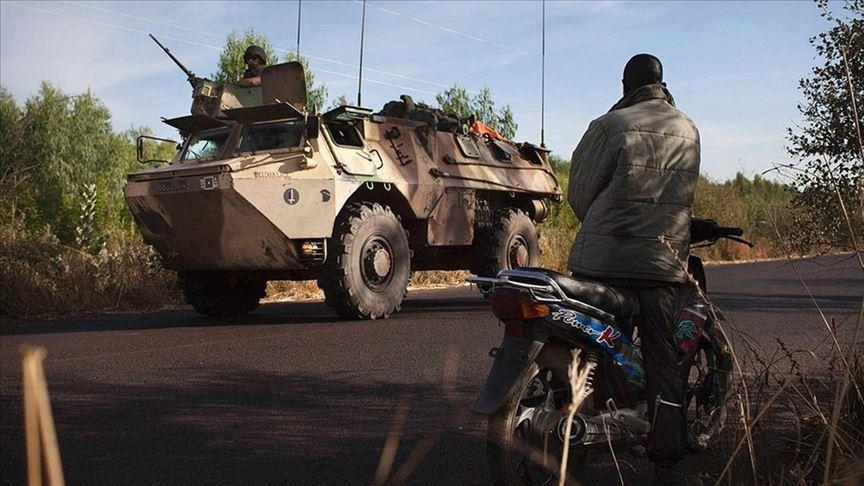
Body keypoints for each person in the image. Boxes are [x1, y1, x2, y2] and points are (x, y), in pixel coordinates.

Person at [567, 54, 701, 485]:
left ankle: (595, 421)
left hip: (602, 262)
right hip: (662, 265)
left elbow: (579, 195)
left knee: (595, 341)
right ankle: (666, 460)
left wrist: (607, 227)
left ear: (625, 85)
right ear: (662, 84)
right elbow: (680, 196)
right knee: (663, 358)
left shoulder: (609, 126)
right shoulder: (688, 129)